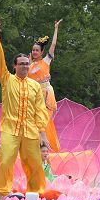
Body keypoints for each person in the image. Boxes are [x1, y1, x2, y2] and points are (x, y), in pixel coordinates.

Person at [0, 16, 50, 200]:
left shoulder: (34, 86)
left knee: (34, 163)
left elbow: (40, 110)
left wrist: (42, 133)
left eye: (27, 63)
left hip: (30, 131)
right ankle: (1, 195)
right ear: (14, 66)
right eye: (21, 64)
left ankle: (35, 197)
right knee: (6, 160)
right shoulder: (7, 80)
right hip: (10, 129)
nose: (25, 66)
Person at [28, 19, 62, 152]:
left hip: (46, 95)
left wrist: (56, 29)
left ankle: (48, 148)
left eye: (37, 50)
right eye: (33, 50)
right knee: (36, 122)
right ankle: (36, 147)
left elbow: (53, 45)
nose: (35, 52)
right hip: (34, 96)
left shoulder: (46, 61)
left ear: (42, 52)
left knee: (46, 121)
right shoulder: (29, 66)